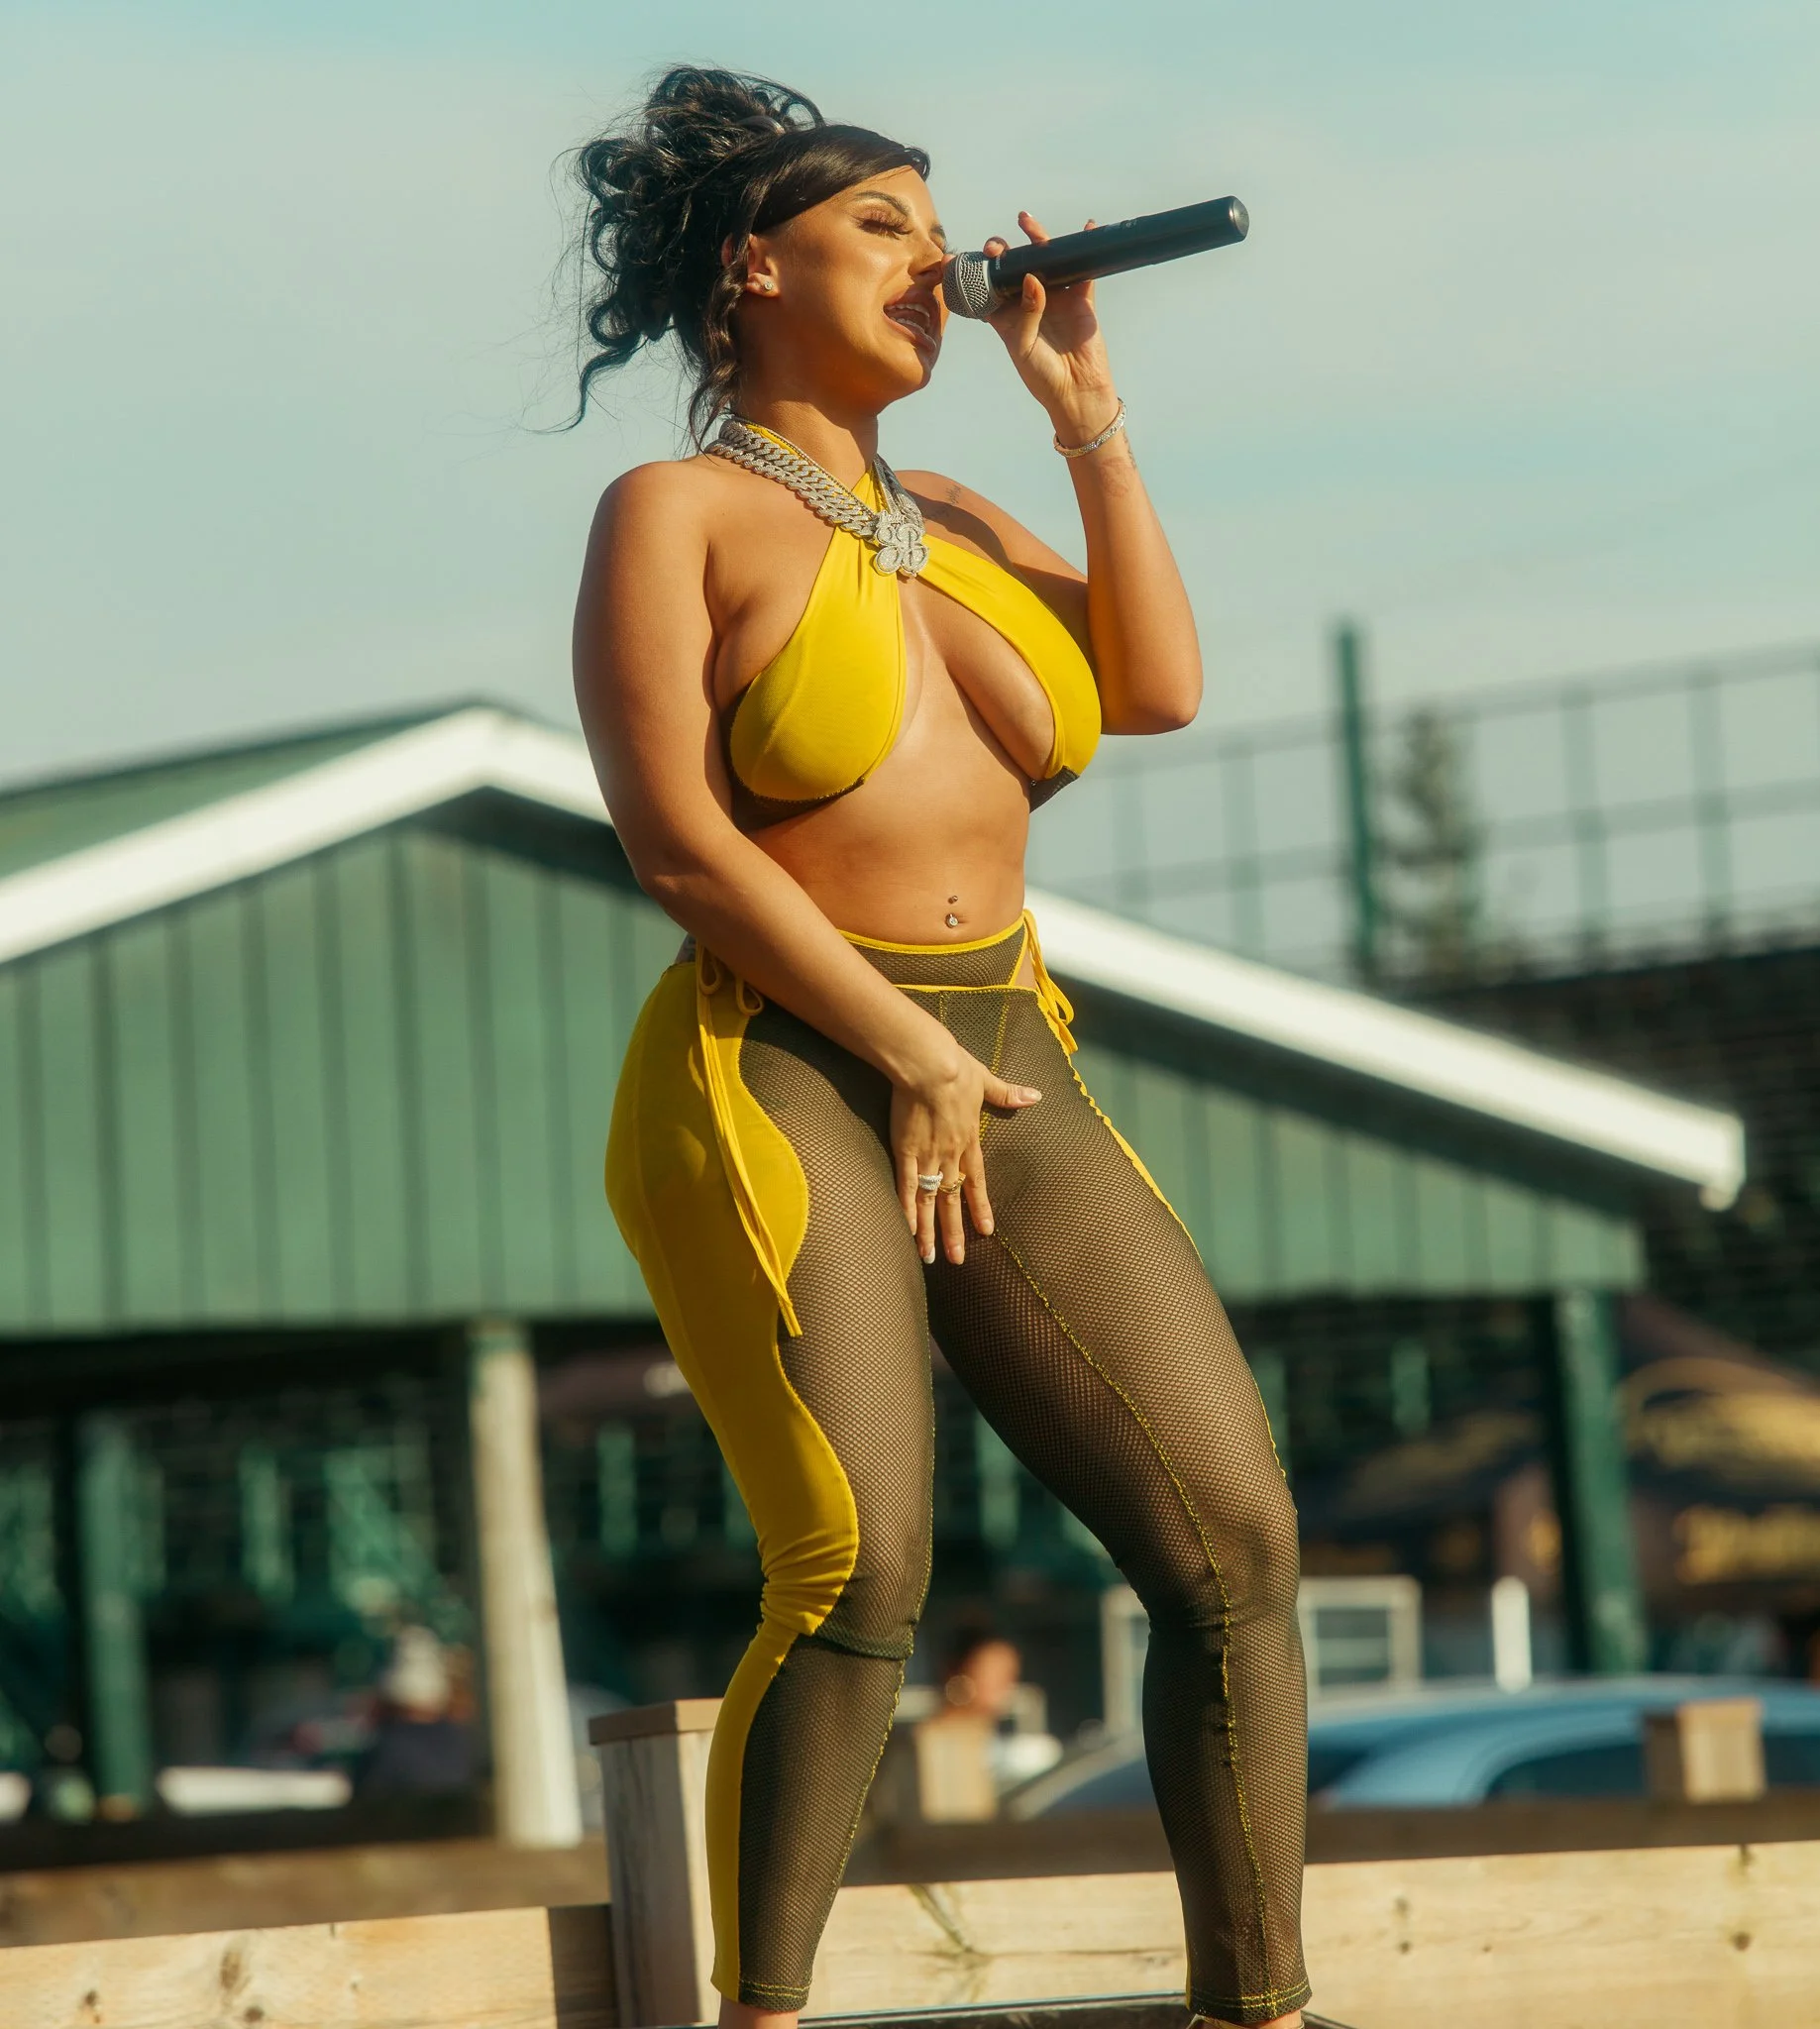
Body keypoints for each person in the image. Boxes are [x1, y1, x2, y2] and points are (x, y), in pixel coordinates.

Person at [570, 66, 1311, 2029]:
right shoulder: (675, 514)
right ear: (757, 267)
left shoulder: (965, 513)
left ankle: (1259, 2008)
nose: (932, 257)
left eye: (932, 222)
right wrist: (895, 1046)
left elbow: (1155, 686)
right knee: (858, 1565)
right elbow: (680, 846)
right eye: (879, 223)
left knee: (1234, 1546)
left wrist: (1086, 414)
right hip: (788, 1057)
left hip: (1000, 1053)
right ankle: (761, 2012)